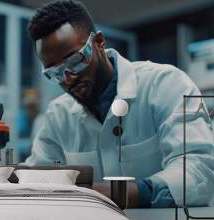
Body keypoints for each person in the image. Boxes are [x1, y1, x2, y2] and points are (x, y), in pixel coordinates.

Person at [24, 0, 214, 208]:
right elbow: (37, 182)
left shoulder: (164, 84)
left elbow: (199, 170)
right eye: (55, 73)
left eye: (74, 61)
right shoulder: (59, 115)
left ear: (99, 43)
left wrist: (117, 194)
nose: (68, 78)